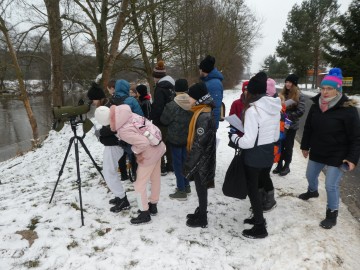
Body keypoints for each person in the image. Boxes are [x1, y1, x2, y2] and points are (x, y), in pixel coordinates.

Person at [299, 67, 360, 229]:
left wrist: (352, 158)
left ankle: (331, 214)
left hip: (338, 154)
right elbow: (308, 128)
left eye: (329, 89)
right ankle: (312, 191)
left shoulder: (348, 110)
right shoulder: (316, 106)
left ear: (337, 89)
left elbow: (356, 137)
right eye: (323, 88)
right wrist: (305, 146)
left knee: (330, 185)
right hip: (318, 150)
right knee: (310, 175)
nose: (325, 92)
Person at [95, 104, 166, 225]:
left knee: (139, 185)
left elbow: (142, 143)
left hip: (148, 154)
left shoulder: (122, 131)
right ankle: (153, 205)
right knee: (155, 179)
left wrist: (133, 150)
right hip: (159, 146)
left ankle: (144, 213)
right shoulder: (126, 113)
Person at [230, 72, 281, 238]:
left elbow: (248, 142)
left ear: (251, 92)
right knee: (259, 186)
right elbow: (274, 136)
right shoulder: (274, 107)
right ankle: (259, 218)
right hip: (267, 155)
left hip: (253, 157)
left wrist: (235, 137)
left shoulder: (253, 111)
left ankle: (260, 227)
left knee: (253, 190)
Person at [87, 82, 130, 213]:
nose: (92, 103)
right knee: (109, 170)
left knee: (109, 172)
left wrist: (100, 134)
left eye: (93, 99)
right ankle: (119, 196)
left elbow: (113, 127)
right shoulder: (107, 105)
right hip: (113, 144)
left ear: (99, 98)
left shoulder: (109, 107)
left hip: (115, 144)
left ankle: (123, 200)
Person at [184, 82, 217, 228]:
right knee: (199, 187)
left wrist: (189, 164)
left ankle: (202, 217)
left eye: (190, 97)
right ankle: (201, 210)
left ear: (197, 98)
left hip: (202, 160)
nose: (188, 100)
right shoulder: (201, 110)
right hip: (203, 158)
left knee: (201, 187)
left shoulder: (203, 115)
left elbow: (199, 144)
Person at [160, 79, 193, 200]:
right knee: (185, 163)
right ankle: (187, 185)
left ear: (175, 90)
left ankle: (181, 190)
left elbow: (164, 120)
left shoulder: (171, 105)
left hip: (175, 139)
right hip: (188, 138)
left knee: (178, 165)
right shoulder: (192, 103)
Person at [273, 73, 305, 176]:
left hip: (291, 125)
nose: (287, 84)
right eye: (286, 82)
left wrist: (287, 115)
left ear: (294, 84)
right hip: (281, 125)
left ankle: (287, 166)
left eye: (290, 82)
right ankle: (279, 164)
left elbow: (301, 111)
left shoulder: (299, 95)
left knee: (288, 146)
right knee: (280, 145)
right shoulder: (282, 94)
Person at [149, 60, 175, 175]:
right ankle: (171, 165)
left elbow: (158, 106)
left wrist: (151, 117)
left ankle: (162, 168)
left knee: (159, 144)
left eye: (154, 77)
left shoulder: (160, 88)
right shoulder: (171, 86)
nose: (153, 79)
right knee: (168, 143)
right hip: (171, 119)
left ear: (157, 77)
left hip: (160, 120)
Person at [199, 55, 224, 129]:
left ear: (203, 70)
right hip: (206, 122)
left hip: (209, 126)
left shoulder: (214, 84)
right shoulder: (208, 81)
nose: (199, 71)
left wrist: (213, 127)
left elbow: (215, 107)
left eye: (200, 69)